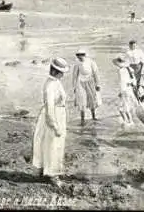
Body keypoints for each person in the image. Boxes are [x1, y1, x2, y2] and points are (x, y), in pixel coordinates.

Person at [32, 57, 70, 187]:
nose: (63, 74)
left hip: (58, 114)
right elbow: (49, 107)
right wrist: (54, 125)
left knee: (49, 144)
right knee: (53, 145)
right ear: (56, 71)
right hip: (53, 116)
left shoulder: (55, 82)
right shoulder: (50, 85)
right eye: (62, 72)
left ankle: (44, 169)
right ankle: (53, 175)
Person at [72, 48, 101, 126]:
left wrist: (98, 84)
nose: (79, 57)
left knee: (92, 99)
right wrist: (74, 86)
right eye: (78, 56)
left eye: (81, 55)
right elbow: (74, 75)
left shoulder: (91, 62)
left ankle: (93, 117)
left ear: (84, 55)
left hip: (90, 82)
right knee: (82, 100)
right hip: (80, 83)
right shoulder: (77, 63)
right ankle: (82, 119)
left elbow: (96, 73)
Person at [113, 55, 137, 126]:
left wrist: (121, 92)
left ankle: (128, 121)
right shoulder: (130, 69)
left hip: (124, 90)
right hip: (130, 90)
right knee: (127, 106)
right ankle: (129, 121)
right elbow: (134, 82)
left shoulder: (121, 71)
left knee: (121, 108)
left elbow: (122, 82)